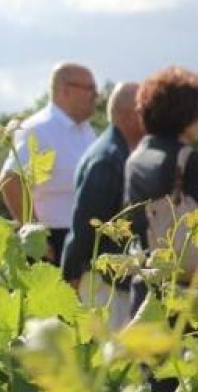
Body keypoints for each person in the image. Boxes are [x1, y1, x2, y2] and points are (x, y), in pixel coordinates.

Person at [0, 62, 99, 268]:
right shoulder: (39, 129)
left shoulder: (87, 131)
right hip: (53, 241)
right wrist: (35, 236)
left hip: (83, 240)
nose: (96, 95)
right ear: (65, 90)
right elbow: (11, 179)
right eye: (89, 88)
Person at [60, 81, 143, 328]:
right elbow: (86, 226)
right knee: (108, 360)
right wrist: (71, 277)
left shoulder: (118, 152)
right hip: (103, 286)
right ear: (131, 115)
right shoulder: (107, 159)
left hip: (113, 281)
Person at [124, 66, 198, 265]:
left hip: (146, 274)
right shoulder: (186, 160)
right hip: (185, 281)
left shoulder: (135, 158)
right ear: (186, 116)